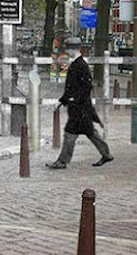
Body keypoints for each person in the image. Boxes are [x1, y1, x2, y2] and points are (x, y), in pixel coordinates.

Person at [47, 38, 114, 169]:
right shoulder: (77, 64)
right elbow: (72, 88)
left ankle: (62, 161)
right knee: (90, 132)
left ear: (73, 49)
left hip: (80, 108)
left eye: (68, 48)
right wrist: (62, 101)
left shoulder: (80, 65)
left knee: (70, 133)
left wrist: (72, 99)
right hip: (80, 107)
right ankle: (106, 154)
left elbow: (85, 87)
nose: (66, 51)